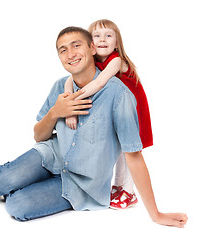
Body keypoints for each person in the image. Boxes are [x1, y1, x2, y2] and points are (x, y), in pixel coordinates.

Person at [0, 26, 187, 227]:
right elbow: (39, 135)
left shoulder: (118, 96)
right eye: (62, 50)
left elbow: (133, 156)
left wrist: (155, 214)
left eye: (76, 45)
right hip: (52, 156)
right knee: (4, 178)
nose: (70, 54)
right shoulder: (60, 86)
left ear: (91, 48)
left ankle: (5, 184)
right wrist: (56, 112)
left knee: (17, 207)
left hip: (82, 183)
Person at [63, 19, 152, 210]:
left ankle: (128, 191)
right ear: (91, 44)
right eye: (97, 36)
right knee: (116, 150)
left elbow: (99, 83)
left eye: (108, 35)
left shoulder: (116, 61)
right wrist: (68, 105)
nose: (103, 40)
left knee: (130, 151)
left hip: (132, 111)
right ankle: (118, 187)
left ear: (117, 43)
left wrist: (74, 102)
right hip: (114, 110)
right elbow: (69, 80)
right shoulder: (92, 61)